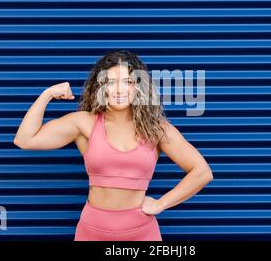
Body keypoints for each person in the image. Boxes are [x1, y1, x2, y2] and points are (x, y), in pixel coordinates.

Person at [13, 50, 214, 241]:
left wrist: (161, 204)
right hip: (92, 231)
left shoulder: (157, 129)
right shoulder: (84, 123)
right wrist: (47, 94)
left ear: (138, 86)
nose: (119, 89)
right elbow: (24, 140)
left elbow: (202, 172)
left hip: (142, 232)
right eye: (111, 82)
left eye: (127, 82)